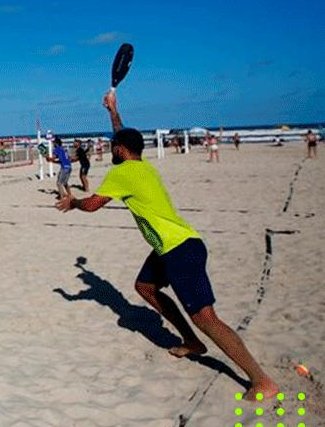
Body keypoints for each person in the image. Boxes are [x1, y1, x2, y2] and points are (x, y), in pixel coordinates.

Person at [55, 90, 278, 401]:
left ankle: (261, 380)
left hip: (179, 250)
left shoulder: (123, 172)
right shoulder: (140, 164)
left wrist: (74, 202)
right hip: (173, 246)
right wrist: (113, 110)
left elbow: (93, 205)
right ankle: (192, 342)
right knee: (145, 287)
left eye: (112, 147)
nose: (109, 149)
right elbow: (123, 134)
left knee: (206, 318)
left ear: (121, 151)